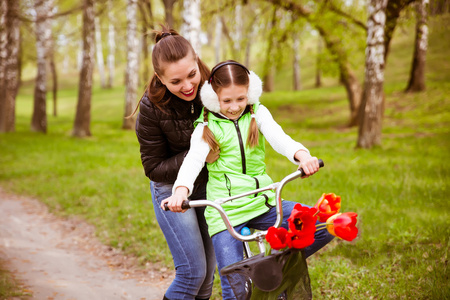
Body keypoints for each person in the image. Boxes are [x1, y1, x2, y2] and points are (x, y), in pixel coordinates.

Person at [161, 60, 335, 300]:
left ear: (250, 93)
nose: (234, 107)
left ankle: (277, 268)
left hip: (262, 202)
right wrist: (181, 191)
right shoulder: (205, 126)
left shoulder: (257, 112)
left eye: (240, 99)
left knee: (322, 225)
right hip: (225, 212)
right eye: (227, 101)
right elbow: (193, 161)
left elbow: (278, 137)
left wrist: (302, 156)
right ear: (213, 98)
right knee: (235, 288)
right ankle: (260, 277)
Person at [134, 26, 218, 300]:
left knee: (207, 279)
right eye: (176, 81)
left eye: (192, 75)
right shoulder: (151, 107)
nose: (187, 86)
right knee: (192, 273)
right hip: (170, 190)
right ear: (160, 78)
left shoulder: (217, 88)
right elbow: (153, 168)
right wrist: (199, 154)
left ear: (197, 60)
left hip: (211, 186)